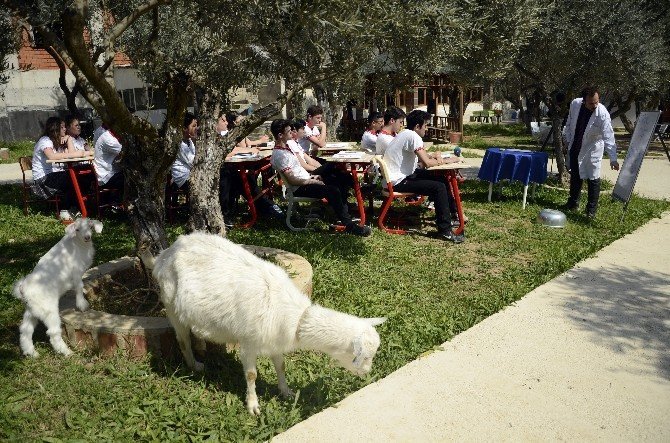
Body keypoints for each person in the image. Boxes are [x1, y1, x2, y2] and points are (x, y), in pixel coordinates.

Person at [270, 119, 371, 236]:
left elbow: (299, 170)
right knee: (333, 189)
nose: (291, 133)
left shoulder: (286, 148)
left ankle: (345, 213)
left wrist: (313, 177)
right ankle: (348, 224)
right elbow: (292, 180)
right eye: (288, 131)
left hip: (306, 180)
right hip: (300, 187)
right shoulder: (279, 155)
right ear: (280, 135)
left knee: (340, 177)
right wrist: (310, 180)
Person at [383, 109, 464, 243]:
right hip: (398, 181)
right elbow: (426, 163)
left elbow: (424, 158)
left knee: (441, 179)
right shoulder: (413, 136)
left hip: (399, 177)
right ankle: (445, 230)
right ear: (417, 126)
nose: (426, 129)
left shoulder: (406, 134)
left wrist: (440, 159)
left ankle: (451, 216)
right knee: (439, 187)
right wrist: (450, 160)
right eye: (425, 125)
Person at [562, 86, 619, 218]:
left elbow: (609, 136)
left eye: (596, 102)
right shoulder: (575, 104)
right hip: (576, 145)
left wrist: (613, 158)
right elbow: (569, 123)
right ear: (583, 101)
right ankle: (573, 203)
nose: (594, 105)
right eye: (591, 103)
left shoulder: (602, 114)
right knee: (575, 176)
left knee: (593, 179)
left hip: (592, 149)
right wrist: (567, 139)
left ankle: (591, 210)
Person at [31, 116, 89, 219]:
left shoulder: (56, 141)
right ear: (55, 128)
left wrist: (70, 139)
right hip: (43, 180)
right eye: (62, 127)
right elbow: (52, 156)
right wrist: (75, 155)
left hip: (53, 175)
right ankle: (66, 209)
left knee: (80, 172)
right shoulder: (45, 141)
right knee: (72, 177)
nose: (65, 129)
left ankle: (76, 206)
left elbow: (71, 153)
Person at [170, 112, 198, 190]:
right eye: (193, 126)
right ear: (184, 128)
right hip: (182, 177)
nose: (196, 128)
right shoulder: (179, 143)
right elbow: (193, 161)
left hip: (189, 174)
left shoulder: (189, 140)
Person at [93, 122, 124, 193]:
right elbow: (127, 153)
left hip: (107, 174)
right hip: (106, 177)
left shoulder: (107, 135)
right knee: (131, 178)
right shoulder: (109, 139)